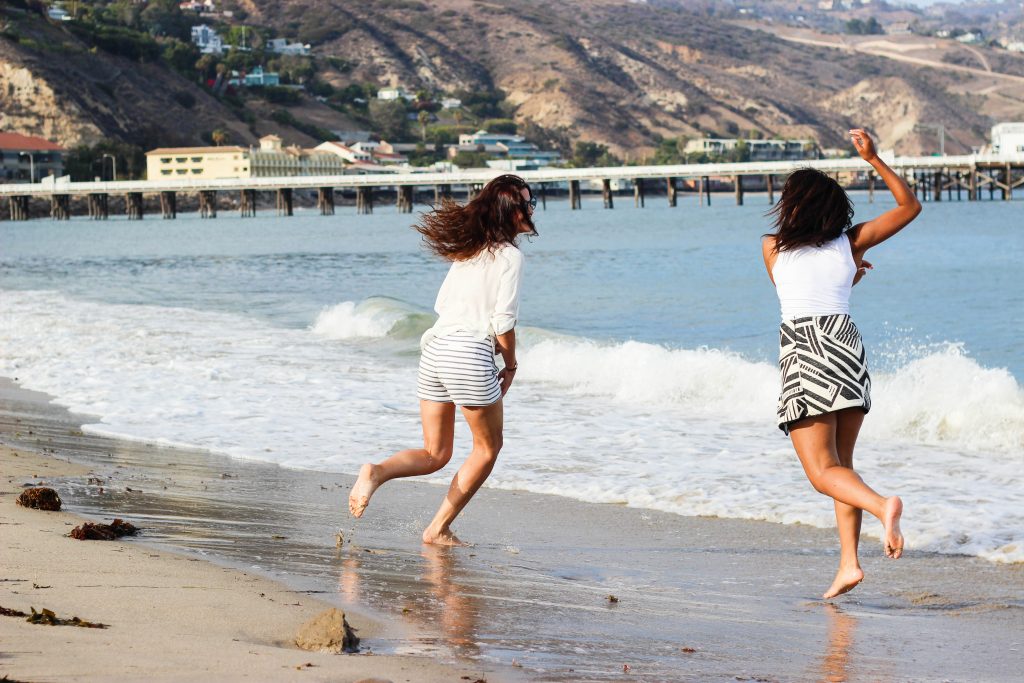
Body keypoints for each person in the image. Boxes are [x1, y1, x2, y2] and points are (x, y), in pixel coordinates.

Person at [761, 129, 921, 599]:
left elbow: (794, 295)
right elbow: (909, 207)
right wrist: (873, 157)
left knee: (820, 473)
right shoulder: (851, 244)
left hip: (805, 349)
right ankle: (848, 564)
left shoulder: (772, 246)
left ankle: (881, 505)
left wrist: (849, 276)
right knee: (841, 466)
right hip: (846, 344)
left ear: (793, 206)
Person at [348, 174, 537, 545]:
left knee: (436, 453)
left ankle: (376, 472)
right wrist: (511, 364)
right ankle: (437, 529)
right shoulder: (511, 257)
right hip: (468, 355)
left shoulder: (467, 252)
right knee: (488, 448)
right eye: (526, 204)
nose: (531, 209)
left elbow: (443, 306)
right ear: (508, 212)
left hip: (434, 350)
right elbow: (502, 323)